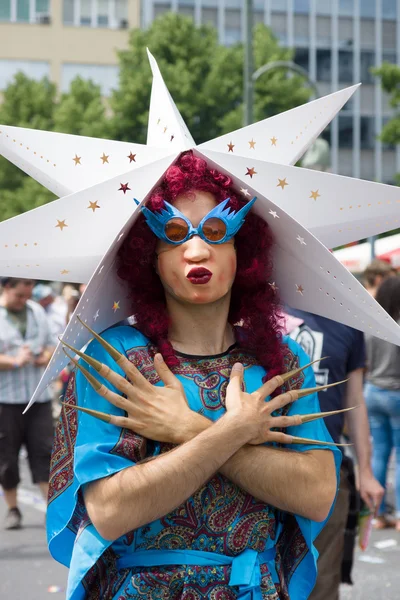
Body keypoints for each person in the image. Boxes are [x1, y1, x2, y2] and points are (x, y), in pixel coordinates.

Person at [47, 152, 342, 600]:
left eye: (218, 231)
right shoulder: (115, 358)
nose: (197, 250)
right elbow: (107, 509)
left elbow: (317, 493)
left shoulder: (282, 359)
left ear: (245, 250)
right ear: (148, 254)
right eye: (173, 233)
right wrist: (233, 434)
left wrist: (190, 429)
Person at [286, 310, 384, 600]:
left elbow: (355, 403)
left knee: (323, 575)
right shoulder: (263, 308)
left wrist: (365, 473)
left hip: (328, 467)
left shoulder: (348, 324)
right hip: (264, 465)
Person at [0, 277, 55, 530]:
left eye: (28, 294)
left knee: (43, 452)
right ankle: (13, 509)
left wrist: (45, 356)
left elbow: (53, 344)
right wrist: (12, 361)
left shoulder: (36, 312)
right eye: (19, 295)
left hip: (38, 398)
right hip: (6, 400)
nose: (24, 301)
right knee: (7, 458)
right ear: (6, 287)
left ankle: (50, 509)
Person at [364, 276, 400, 531]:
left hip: (372, 392)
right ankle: (399, 515)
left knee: (380, 453)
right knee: (399, 458)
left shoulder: (370, 326)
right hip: (396, 394)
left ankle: (376, 514)